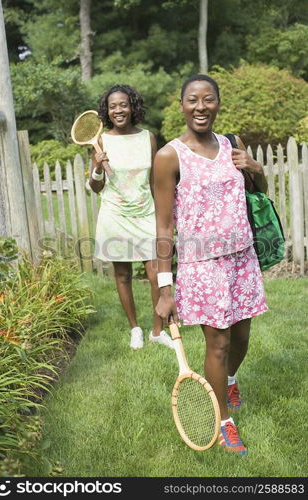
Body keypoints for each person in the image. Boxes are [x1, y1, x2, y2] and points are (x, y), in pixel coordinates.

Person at [154, 74, 268, 455]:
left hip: (242, 259)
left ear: (218, 103)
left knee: (241, 338)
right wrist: (165, 289)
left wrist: (253, 166)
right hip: (202, 266)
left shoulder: (233, 144)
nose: (200, 107)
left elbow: (259, 192)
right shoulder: (170, 156)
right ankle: (224, 423)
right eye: (192, 100)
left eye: (208, 100)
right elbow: (164, 225)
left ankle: (230, 379)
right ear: (181, 105)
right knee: (216, 344)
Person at [89, 84, 173, 350]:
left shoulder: (148, 138)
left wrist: (163, 213)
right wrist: (98, 167)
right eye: (112, 106)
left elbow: (153, 180)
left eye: (123, 104)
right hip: (115, 212)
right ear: (107, 111)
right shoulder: (102, 140)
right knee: (122, 273)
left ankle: (157, 331)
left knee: (155, 272)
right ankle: (135, 328)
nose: (118, 110)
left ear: (132, 106)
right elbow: (95, 186)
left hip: (145, 211)